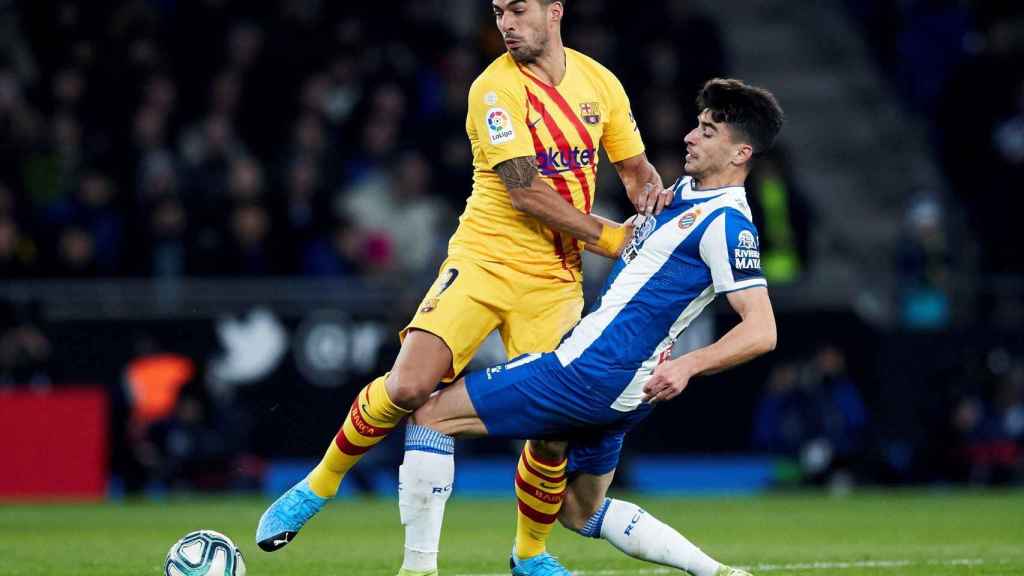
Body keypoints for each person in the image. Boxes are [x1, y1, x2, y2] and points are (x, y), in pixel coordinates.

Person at [257, 1, 667, 574]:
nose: (505, 23)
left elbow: (635, 171)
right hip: (483, 262)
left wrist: (661, 203)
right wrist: (612, 238)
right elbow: (526, 192)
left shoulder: (601, 83)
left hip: (554, 281)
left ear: (555, 11)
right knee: (408, 386)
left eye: (518, 9)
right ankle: (318, 485)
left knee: (555, 429)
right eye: (498, 11)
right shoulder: (493, 90)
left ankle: (529, 555)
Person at [397, 77, 784, 576]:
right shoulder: (682, 194)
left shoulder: (728, 224)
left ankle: (418, 570)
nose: (691, 136)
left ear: (741, 154)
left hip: (589, 372)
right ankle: (721, 574)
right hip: (625, 392)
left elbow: (762, 330)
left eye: (708, 132)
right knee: (580, 513)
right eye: (697, 125)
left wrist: (689, 365)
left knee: (429, 416)